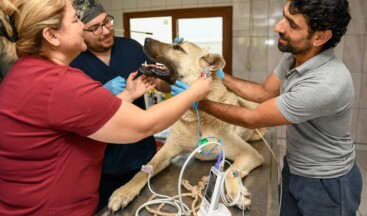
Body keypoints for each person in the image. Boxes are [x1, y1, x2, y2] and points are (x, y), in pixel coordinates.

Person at [0, 0, 210, 215]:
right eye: (75, 20)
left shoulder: (25, 72)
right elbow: (145, 125)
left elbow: (79, 117)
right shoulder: (57, 83)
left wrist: (127, 94)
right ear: (51, 35)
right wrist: (194, 92)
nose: (82, 26)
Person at [174, 0, 362, 215]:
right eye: (283, 16)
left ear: (320, 37)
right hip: (295, 167)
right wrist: (218, 74)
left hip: (327, 181)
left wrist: (196, 101)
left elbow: (253, 117)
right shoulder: (294, 58)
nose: (278, 27)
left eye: (291, 24)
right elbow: (263, 92)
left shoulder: (326, 83)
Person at [69, 0, 171, 211]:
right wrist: (100, 95)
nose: (106, 31)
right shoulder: (74, 63)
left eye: (107, 22)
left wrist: (164, 81)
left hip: (144, 159)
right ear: (80, 30)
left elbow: (160, 84)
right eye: (95, 28)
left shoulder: (131, 48)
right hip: (103, 170)